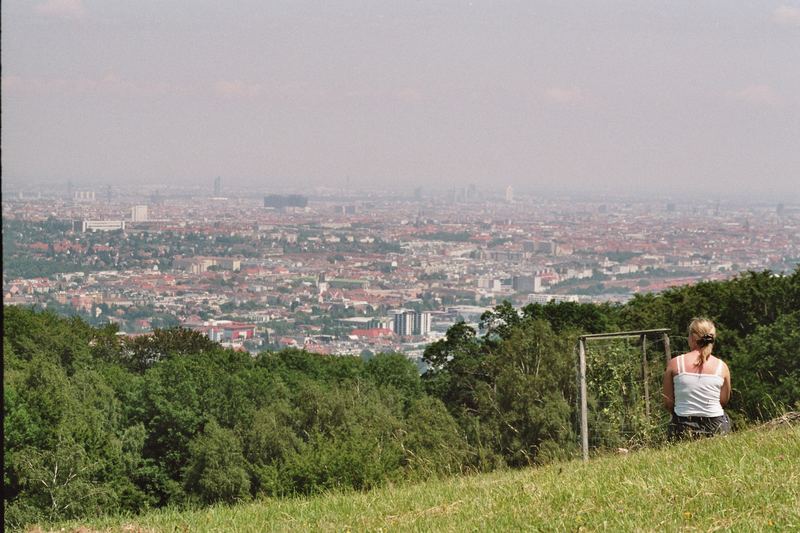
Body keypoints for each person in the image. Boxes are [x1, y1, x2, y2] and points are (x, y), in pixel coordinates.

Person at [662, 318, 731, 439]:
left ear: (692, 338)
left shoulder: (675, 363)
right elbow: (723, 401)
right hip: (716, 425)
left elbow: (668, 402)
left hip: (682, 425)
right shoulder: (722, 367)